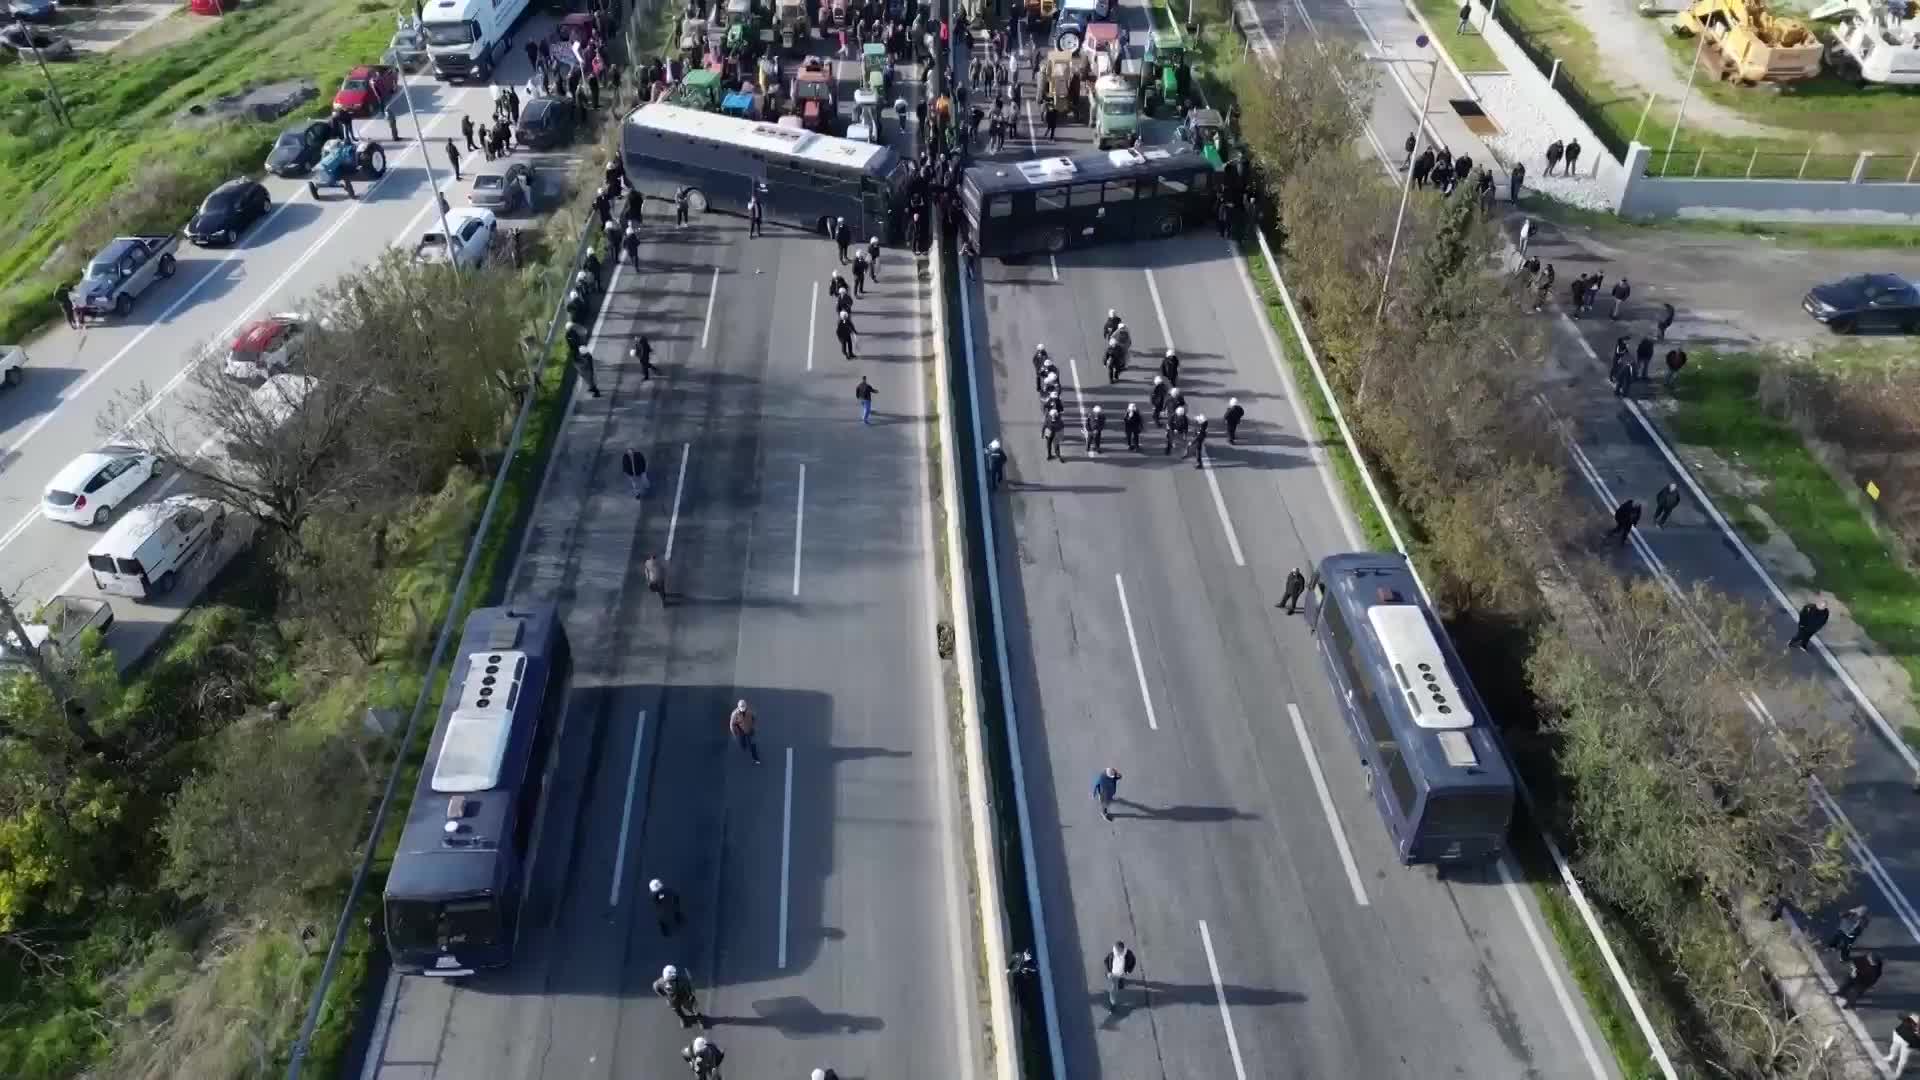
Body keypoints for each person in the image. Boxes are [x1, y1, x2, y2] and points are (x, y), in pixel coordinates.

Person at [1104, 941, 1136, 1009]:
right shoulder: (1112, 954)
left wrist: (1129, 971)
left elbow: (1133, 961)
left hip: (1121, 973)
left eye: (1117, 950)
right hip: (1114, 975)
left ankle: (1121, 982)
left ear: (1122, 949)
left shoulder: (1128, 954)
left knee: (1119, 985)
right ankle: (1113, 1004)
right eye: (1115, 950)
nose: (1115, 952)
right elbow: (1106, 961)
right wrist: (1108, 972)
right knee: (1113, 990)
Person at [728, 700, 761, 764]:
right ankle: (744, 746)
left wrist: (754, 727)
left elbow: (754, 719)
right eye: (741, 709)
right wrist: (734, 733)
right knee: (742, 742)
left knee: (752, 744)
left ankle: (756, 758)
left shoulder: (750, 712)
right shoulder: (734, 714)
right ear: (738, 707)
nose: (743, 710)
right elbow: (732, 724)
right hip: (741, 731)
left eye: (744, 708)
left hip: (749, 730)